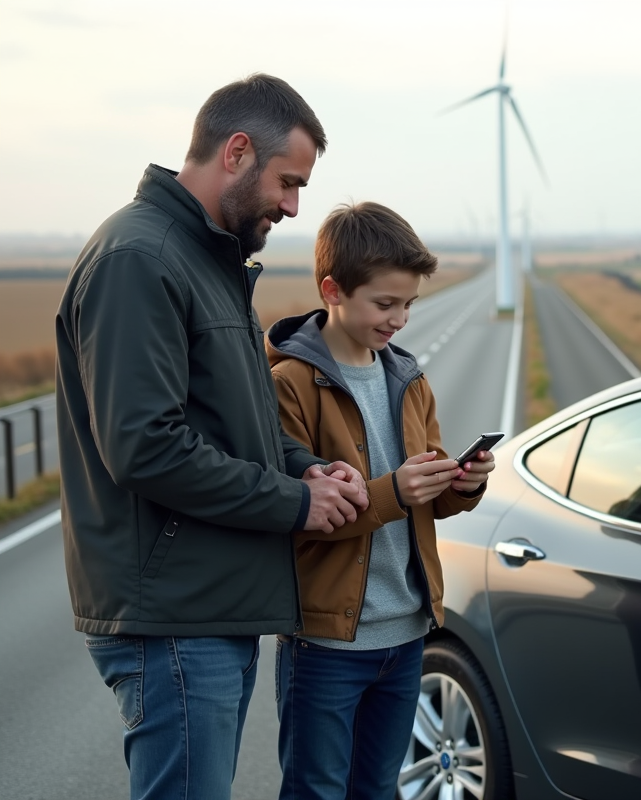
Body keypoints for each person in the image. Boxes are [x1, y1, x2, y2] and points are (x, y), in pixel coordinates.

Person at [55, 74, 370, 800]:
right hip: (174, 616)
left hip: (207, 607)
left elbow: (237, 422)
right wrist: (294, 504)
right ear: (236, 152)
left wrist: (307, 469)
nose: (293, 207)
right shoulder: (140, 259)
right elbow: (146, 446)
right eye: (289, 183)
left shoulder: (206, 260)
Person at [264, 201, 494, 800]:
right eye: (386, 304)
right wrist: (395, 492)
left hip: (408, 635)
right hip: (327, 644)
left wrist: (462, 484)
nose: (400, 319)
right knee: (316, 791)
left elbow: (427, 498)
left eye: (409, 304)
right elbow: (297, 514)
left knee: (379, 790)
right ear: (332, 290)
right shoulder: (289, 385)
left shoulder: (409, 378)